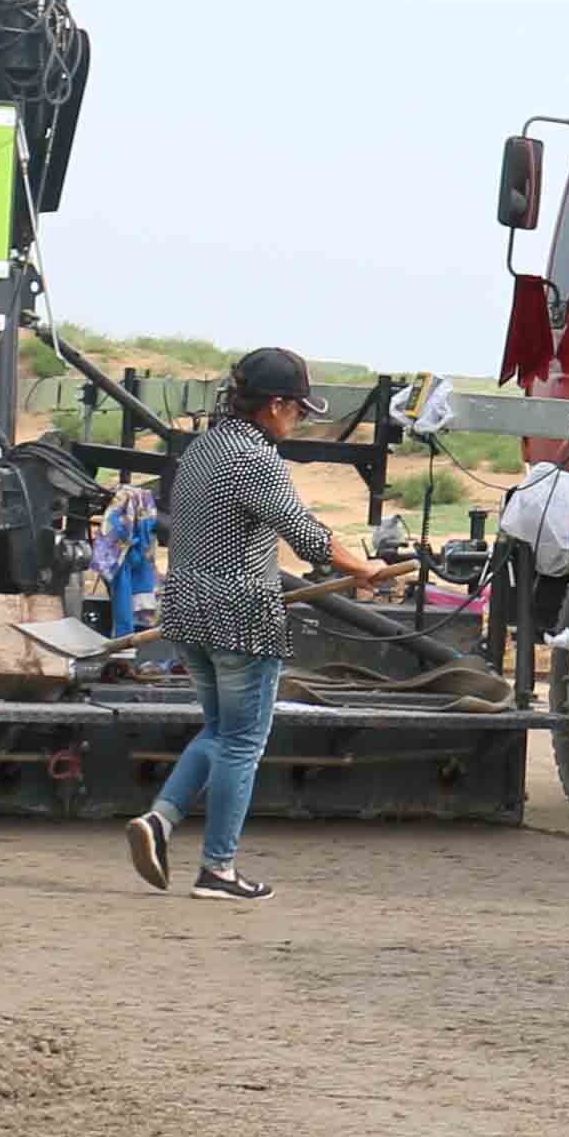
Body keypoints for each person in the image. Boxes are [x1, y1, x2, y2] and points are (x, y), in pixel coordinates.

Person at [124, 345, 387, 905]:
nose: (297, 420)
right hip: (240, 614)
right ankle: (218, 869)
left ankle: (160, 820)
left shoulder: (203, 448)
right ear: (272, 406)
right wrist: (365, 567)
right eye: (296, 409)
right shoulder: (254, 458)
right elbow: (306, 534)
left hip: (188, 608)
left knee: (220, 733)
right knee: (243, 742)